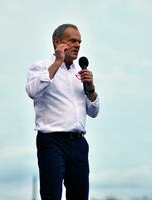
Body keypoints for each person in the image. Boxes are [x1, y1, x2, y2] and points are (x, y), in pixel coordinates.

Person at [26, 24, 99, 200]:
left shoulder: (80, 73)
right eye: (72, 41)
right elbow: (32, 91)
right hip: (52, 141)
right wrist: (57, 62)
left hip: (78, 143)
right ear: (57, 42)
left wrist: (90, 88)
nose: (77, 45)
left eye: (80, 42)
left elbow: (94, 111)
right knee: (52, 195)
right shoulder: (41, 66)